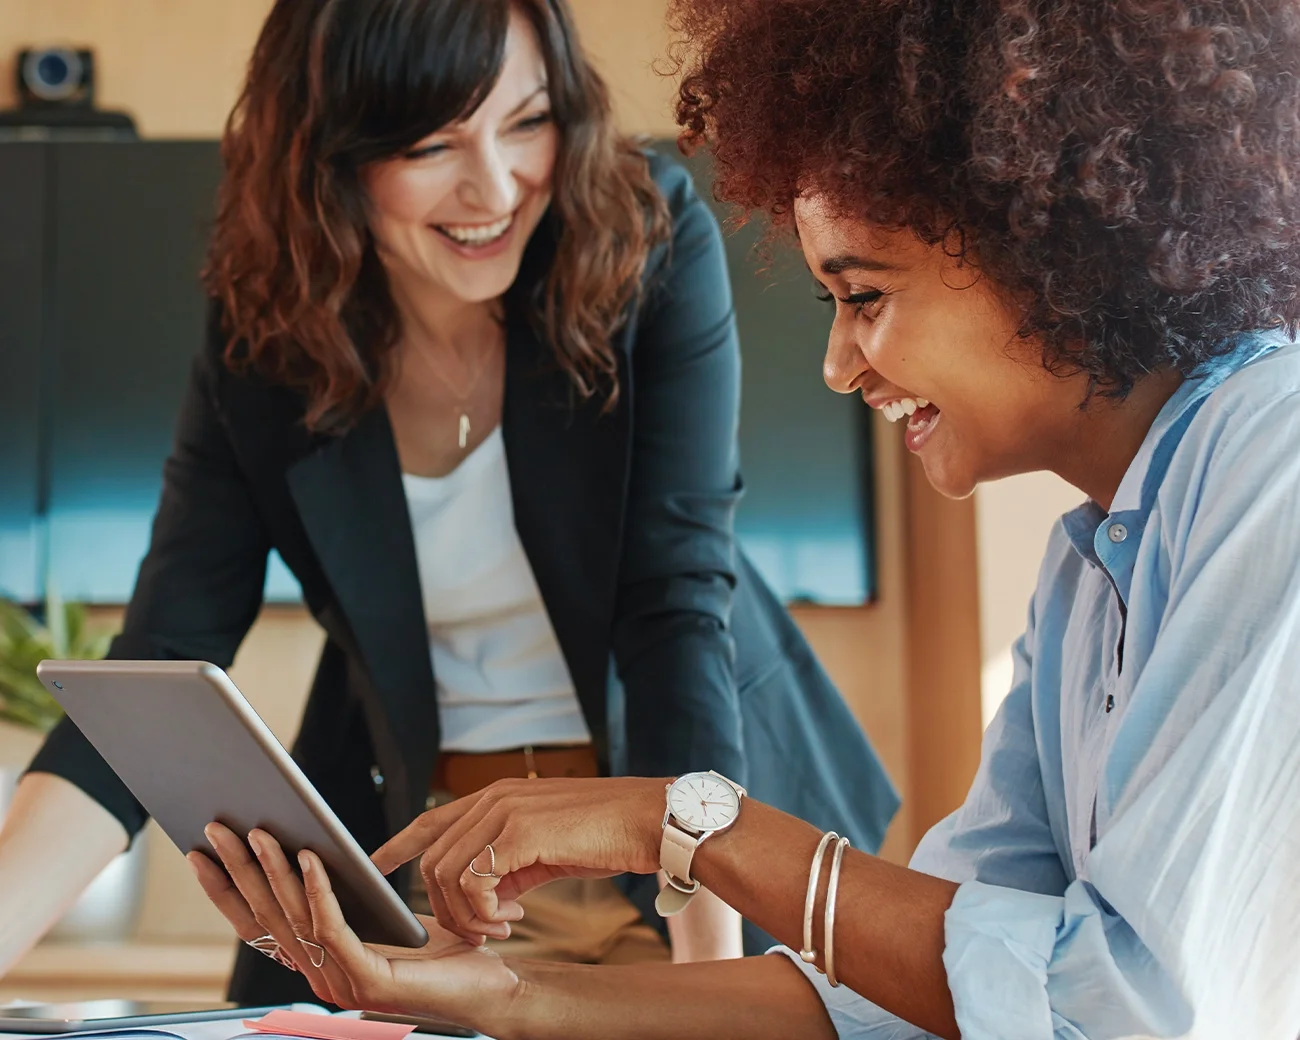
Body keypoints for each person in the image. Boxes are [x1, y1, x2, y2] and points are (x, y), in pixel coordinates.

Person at [192, 0, 1300, 1037]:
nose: (836, 364)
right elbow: (931, 991)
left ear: (1049, 242)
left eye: (863, 296)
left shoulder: (1274, 455)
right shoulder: (1087, 570)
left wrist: (685, 821)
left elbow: (1109, 1003)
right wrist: (504, 996)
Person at [0, 0, 898, 1006]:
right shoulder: (269, 330)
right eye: (432, 145)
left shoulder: (643, 237)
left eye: (528, 121)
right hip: (440, 869)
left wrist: (712, 980)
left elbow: (673, 605)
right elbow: (162, 663)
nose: (496, 186)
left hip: (684, 847)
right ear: (327, 152)